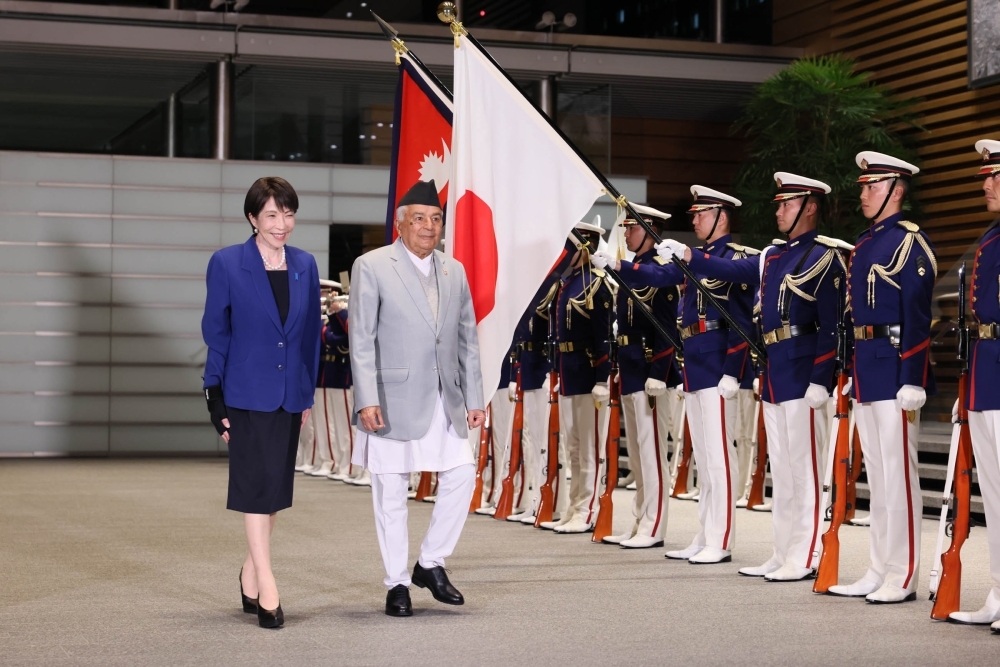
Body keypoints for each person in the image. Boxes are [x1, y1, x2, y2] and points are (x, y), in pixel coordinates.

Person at [655, 173, 845, 581]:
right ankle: (782, 550)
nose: (778, 211)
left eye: (787, 204)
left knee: (804, 469)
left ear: (810, 207)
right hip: (776, 369)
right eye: (779, 204)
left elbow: (830, 326)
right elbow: (733, 271)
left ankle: (807, 552)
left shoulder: (824, 256)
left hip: (803, 368)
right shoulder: (772, 257)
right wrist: (689, 256)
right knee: (782, 468)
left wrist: (821, 377)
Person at [593, 186, 756, 564]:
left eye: (702, 213)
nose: (694, 219)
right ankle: (705, 532)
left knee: (719, 457)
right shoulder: (694, 259)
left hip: (718, 366)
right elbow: (660, 278)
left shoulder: (733, 258)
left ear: (722, 216)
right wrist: (620, 266)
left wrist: (733, 370)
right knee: (703, 456)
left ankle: (722, 537)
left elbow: (741, 321)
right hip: (695, 364)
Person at [349, 180, 485, 617]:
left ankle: (430, 562)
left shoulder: (454, 270)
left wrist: (475, 397)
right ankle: (396, 585)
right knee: (390, 490)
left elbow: (468, 340)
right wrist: (366, 397)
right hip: (391, 398)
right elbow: (362, 339)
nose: (429, 227)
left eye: (436, 219)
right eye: (420, 218)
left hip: (445, 398)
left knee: (463, 472)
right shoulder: (371, 266)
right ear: (400, 223)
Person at [202, 176, 321, 629]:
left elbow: (308, 336)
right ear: (253, 218)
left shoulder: (305, 265)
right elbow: (217, 333)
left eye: (288, 213)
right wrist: (214, 395)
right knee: (256, 487)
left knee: (274, 491)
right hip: (245, 392)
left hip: (290, 393)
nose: (281, 223)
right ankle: (267, 583)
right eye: (272, 214)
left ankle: (249, 569)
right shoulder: (228, 263)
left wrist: (307, 390)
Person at [828, 152, 936, 603]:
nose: (864, 193)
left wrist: (913, 376)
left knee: (900, 477)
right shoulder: (865, 243)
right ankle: (878, 567)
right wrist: (852, 369)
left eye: (873, 186)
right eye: (864, 186)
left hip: (894, 369)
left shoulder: (910, 242)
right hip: (868, 369)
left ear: (897, 189)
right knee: (876, 476)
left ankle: (904, 572)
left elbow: (917, 315)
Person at [602, 205, 680, 549]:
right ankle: (638, 520)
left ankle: (654, 525)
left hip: (650, 370)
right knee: (636, 453)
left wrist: (659, 371)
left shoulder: (658, 271)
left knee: (651, 453)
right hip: (632, 368)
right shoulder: (633, 272)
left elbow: (666, 327)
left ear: (650, 232)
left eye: (632, 228)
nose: (627, 234)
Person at [949, 139, 1000, 627]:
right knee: (994, 492)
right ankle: (999, 591)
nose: (985, 183)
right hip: (987, 367)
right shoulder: (991, 236)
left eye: (994, 175)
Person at [541, 222, 612, 534]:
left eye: (570, 247)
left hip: (587, 373)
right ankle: (573, 507)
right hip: (569, 372)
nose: (564, 253)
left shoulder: (597, 284)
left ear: (585, 248)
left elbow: (603, 337)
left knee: (588, 448)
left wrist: (602, 377)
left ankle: (587, 510)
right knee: (572, 446)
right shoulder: (567, 284)